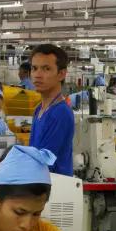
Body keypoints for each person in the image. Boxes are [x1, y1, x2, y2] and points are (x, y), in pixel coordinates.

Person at [25, 44, 76, 175]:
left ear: (61, 74)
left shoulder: (60, 113)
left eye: (46, 69)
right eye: (34, 68)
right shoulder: (39, 110)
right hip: (40, 184)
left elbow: (44, 162)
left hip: (55, 186)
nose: (37, 75)